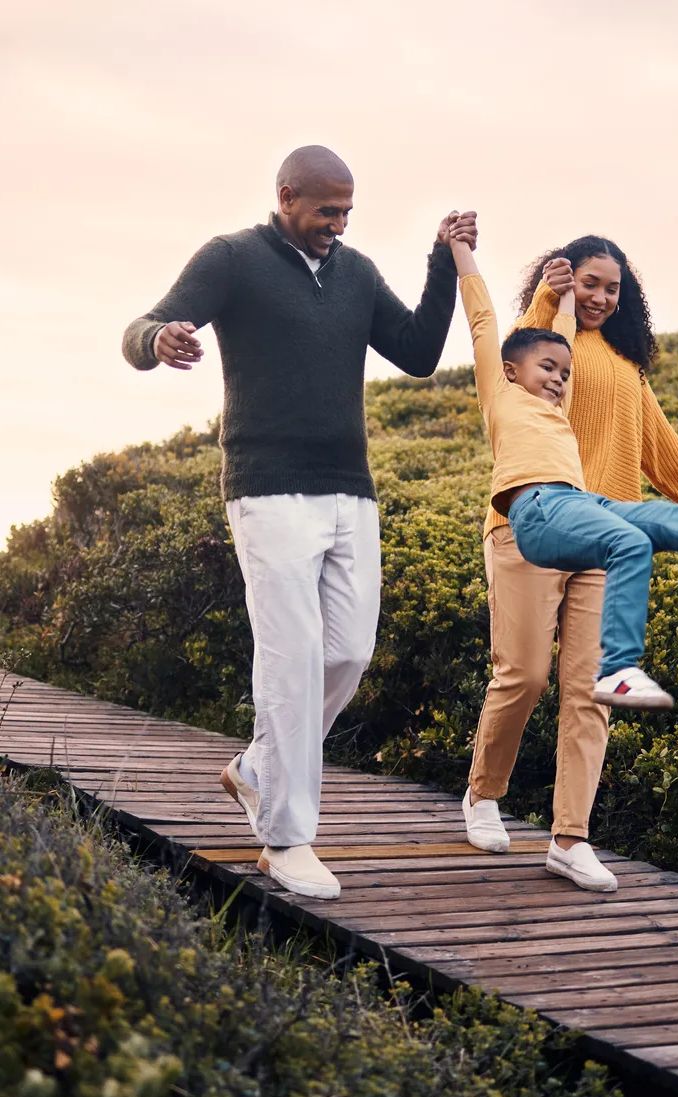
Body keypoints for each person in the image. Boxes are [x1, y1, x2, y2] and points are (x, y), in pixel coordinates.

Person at [122, 145, 474, 901]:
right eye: (326, 211)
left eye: (347, 212)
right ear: (286, 196)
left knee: (347, 651)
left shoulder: (355, 273)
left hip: (351, 489)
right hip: (268, 488)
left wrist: (443, 263)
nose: (338, 225)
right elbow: (144, 325)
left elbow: (415, 353)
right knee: (292, 653)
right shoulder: (232, 260)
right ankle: (285, 839)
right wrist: (159, 340)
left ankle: (256, 771)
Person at [454, 233, 678, 892]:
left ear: (626, 298)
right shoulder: (545, 343)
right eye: (588, 282)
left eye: (610, 288)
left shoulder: (626, 368)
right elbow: (518, 354)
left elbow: (666, 456)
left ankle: (570, 837)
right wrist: (547, 296)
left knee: (591, 692)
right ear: (566, 281)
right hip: (527, 527)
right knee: (525, 674)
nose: (598, 296)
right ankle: (483, 794)